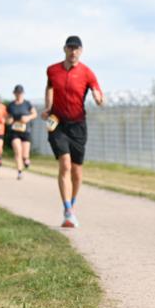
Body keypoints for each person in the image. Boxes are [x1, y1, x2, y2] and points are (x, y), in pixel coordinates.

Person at [43, 35, 103, 228]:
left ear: (81, 51)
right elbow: (50, 87)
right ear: (64, 49)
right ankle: (68, 210)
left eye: (77, 49)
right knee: (65, 165)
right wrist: (48, 107)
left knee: (76, 172)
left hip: (78, 125)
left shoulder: (87, 73)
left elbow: (98, 92)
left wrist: (97, 96)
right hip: (58, 123)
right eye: (70, 48)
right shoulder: (52, 70)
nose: (73, 52)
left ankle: (72, 204)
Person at [6, 85, 37, 180]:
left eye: (20, 93)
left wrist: (28, 118)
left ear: (23, 93)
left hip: (25, 131)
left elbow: (35, 114)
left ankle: (26, 160)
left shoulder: (27, 104)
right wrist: (9, 120)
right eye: (17, 93)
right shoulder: (11, 105)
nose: (19, 94)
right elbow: (7, 118)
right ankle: (19, 172)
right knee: (17, 151)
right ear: (14, 93)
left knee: (24, 155)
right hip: (14, 131)